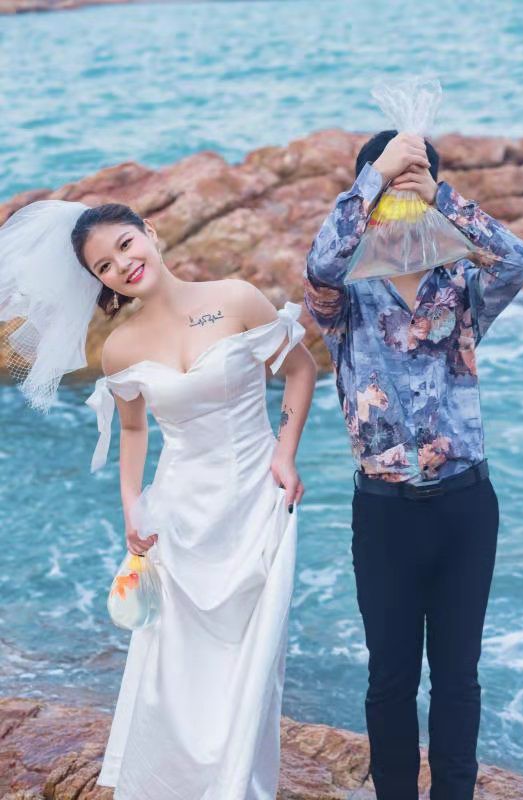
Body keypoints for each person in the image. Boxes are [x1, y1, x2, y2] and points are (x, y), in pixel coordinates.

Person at [0, 199, 317, 800]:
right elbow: (135, 431)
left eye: (125, 245)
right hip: (178, 516)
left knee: (254, 659)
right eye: (104, 266)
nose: (122, 265)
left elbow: (300, 370)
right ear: (100, 282)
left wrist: (285, 452)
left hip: (255, 500)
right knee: (175, 665)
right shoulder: (121, 347)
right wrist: (132, 505)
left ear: (148, 232)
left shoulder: (236, 298)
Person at [303, 130, 523, 800]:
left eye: (411, 185)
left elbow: (516, 261)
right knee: (390, 678)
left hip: (466, 505)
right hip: (384, 514)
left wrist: (438, 194)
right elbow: (319, 264)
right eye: (385, 186)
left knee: (458, 677)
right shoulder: (344, 297)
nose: (398, 199)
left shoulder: (458, 284)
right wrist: (376, 175)